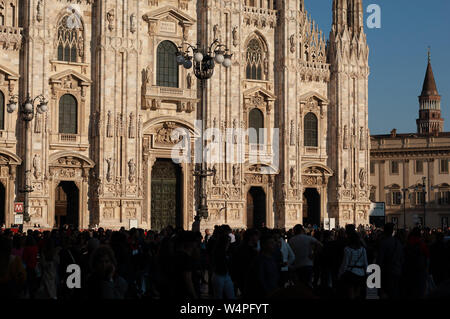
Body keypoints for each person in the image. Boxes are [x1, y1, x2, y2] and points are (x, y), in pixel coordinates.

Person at [245, 232, 280, 298]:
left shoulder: (271, 259)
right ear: (264, 245)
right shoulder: (259, 261)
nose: (274, 245)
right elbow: (260, 280)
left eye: (274, 242)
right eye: (271, 243)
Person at [377, 223, 404, 299]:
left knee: (386, 292)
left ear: (384, 231)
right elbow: (402, 258)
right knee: (395, 291)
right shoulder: (398, 242)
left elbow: (380, 260)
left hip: (387, 272)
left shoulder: (383, 243)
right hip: (397, 270)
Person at [338, 231, 368, 300]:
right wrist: (367, 274)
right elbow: (365, 263)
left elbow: (345, 264)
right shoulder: (363, 249)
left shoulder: (347, 249)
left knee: (351, 294)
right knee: (358, 294)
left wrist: (340, 273)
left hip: (350, 273)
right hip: (361, 273)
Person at [211, 230, 235, 299]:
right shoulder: (218, 252)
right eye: (228, 242)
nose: (229, 244)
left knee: (231, 295)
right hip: (219, 275)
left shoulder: (228, 251)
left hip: (226, 275)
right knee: (218, 296)